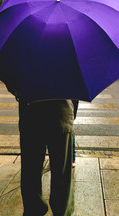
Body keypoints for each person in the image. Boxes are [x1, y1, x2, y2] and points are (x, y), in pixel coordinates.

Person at [7, 84, 74, 216]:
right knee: (62, 174)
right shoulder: (66, 62)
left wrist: (19, 93)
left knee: (30, 171)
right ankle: (62, 211)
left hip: (31, 113)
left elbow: (12, 81)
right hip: (61, 113)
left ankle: (34, 209)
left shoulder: (23, 62)